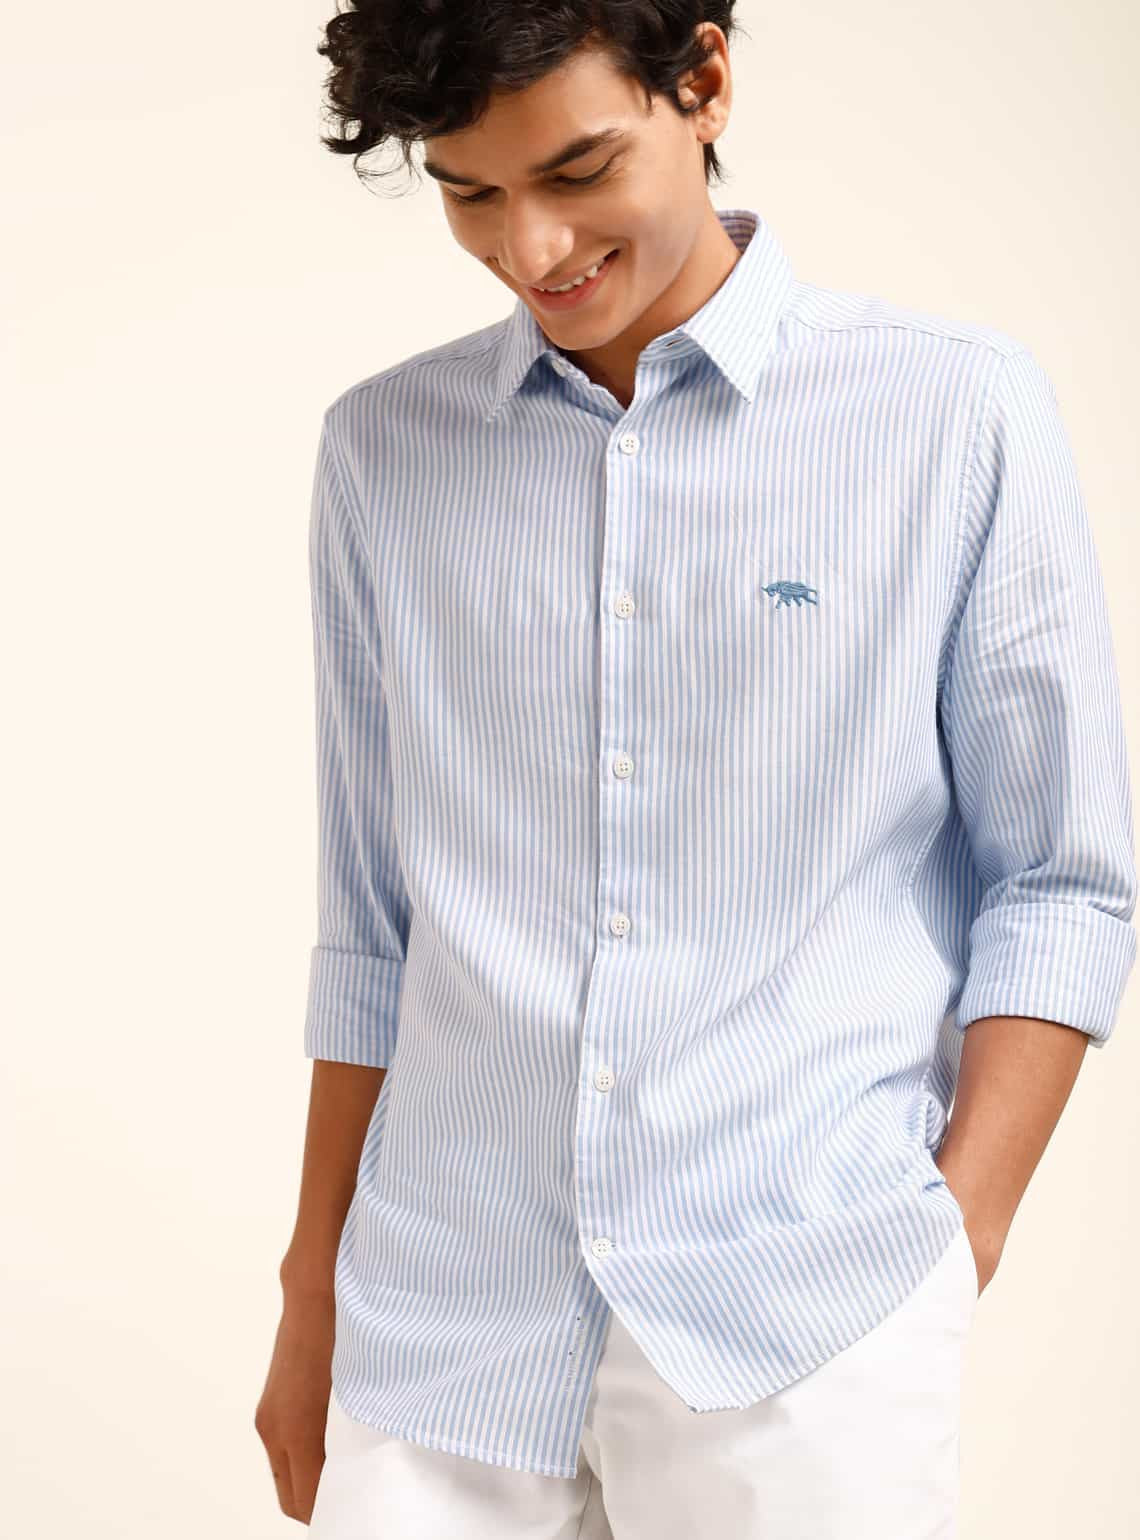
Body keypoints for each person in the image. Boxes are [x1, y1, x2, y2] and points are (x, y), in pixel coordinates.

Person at [254, 5, 1138, 1536]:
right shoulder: (383, 452)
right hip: (438, 1325)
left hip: (802, 1313)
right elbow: (374, 929)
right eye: (469, 193)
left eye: (576, 170)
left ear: (705, 82)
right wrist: (311, 1289)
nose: (531, 249)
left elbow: (1063, 877)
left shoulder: (950, 413)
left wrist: (953, 1241)